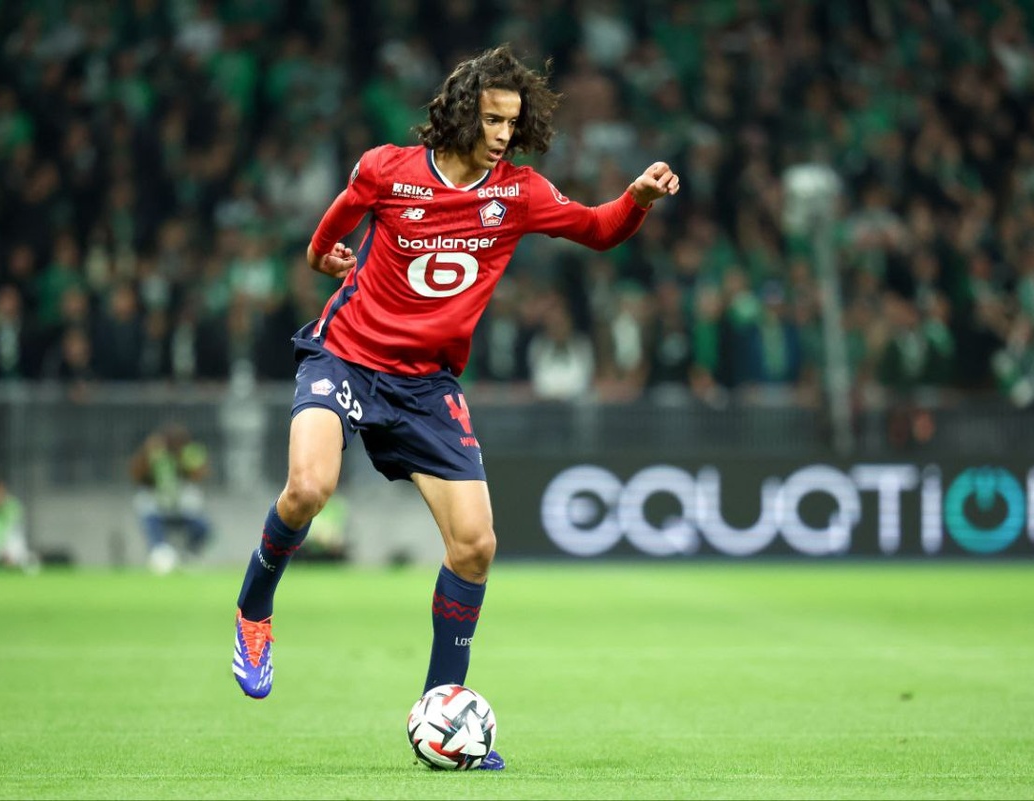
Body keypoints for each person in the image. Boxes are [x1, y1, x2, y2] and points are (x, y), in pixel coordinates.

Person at [230, 44, 679, 771]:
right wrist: (323, 259)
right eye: (493, 119)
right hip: (346, 355)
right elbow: (326, 235)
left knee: (475, 545)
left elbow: (599, 229)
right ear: (464, 112)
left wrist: (638, 199)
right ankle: (255, 608)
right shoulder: (386, 169)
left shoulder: (519, 193)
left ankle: (441, 710)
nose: (503, 134)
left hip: (426, 386)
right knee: (309, 488)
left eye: (512, 122)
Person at [129, 423, 211, 574]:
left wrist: (185, 462)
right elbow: (137, 475)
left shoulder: (188, 455)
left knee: (202, 527)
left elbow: (199, 475)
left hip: (182, 509)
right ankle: (160, 553)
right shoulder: (154, 455)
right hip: (158, 507)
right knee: (150, 520)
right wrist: (150, 455)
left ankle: (189, 555)